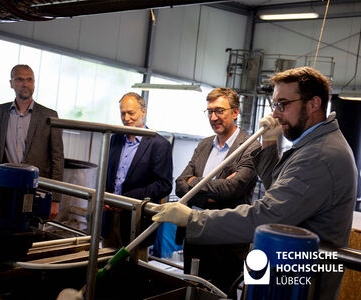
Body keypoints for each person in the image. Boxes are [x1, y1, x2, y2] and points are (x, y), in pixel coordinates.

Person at [153, 67, 357, 300]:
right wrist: (270, 143)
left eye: (283, 104)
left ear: (313, 104)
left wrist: (193, 219)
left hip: (298, 281)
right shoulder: (313, 145)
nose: (276, 114)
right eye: (274, 105)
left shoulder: (320, 155)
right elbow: (277, 187)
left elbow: (266, 215)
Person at [175, 87, 260, 295]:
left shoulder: (251, 147)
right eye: (210, 111)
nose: (214, 117)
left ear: (236, 112)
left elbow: (231, 191)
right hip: (195, 235)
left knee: (220, 294)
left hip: (226, 242)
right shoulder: (205, 145)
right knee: (191, 291)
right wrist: (211, 194)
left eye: (220, 110)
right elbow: (179, 185)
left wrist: (194, 183)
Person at [0, 64, 64, 219]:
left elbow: (57, 159)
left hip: (35, 190)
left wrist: (55, 199)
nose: (25, 84)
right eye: (20, 79)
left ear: (34, 84)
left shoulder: (49, 116)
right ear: (11, 83)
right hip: (4, 188)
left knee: (29, 233)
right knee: (1, 231)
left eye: (29, 80)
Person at [102, 92, 173, 249]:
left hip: (137, 222)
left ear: (143, 112)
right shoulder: (116, 139)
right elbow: (109, 176)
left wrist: (127, 200)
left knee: (133, 271)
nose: (126, 118)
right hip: (111, 218)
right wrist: (106, 197)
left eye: (131, 113)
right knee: (105, 267)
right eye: (123, 113)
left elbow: (164, 185)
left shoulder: (159, 145)